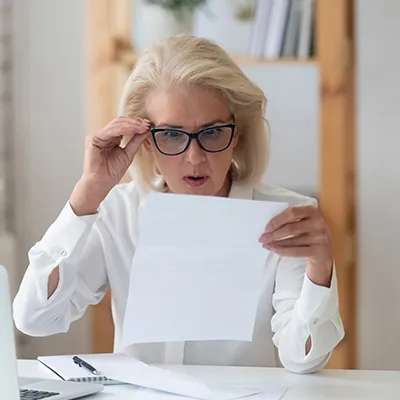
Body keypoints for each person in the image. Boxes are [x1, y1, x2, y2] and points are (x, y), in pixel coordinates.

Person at [13, 34, 344, 373]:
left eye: (212, 132)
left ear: (238, 133)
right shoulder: (118, 212)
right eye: (172, 134)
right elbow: (36, 319)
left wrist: (320, 270)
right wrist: (86, 196)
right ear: (145, 142)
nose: (195, 158)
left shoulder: (285, 219)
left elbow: (301, 359)